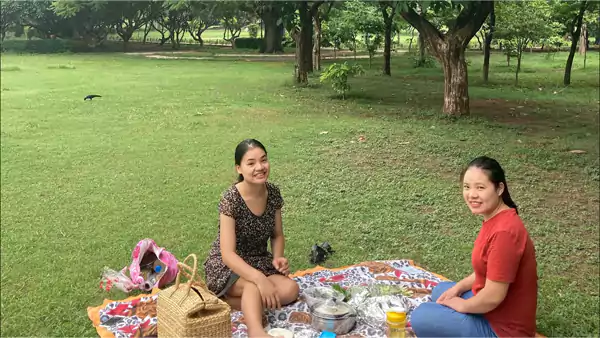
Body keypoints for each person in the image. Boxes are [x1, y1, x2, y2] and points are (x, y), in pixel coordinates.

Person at [410, 156, 538, 337]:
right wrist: (458, 289)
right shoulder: (495, 218)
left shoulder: (504, 233)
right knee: (443, 290)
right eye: (467, 187)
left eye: (480, 187)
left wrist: (462, 305)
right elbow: (486, 272)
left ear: (499, 188)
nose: (472, 194)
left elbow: (493, 296)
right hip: (493, 310)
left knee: (421, 316)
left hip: (503, 329)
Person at [204, 139, 299, 338]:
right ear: (239, 168)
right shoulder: (231, 199)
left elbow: (277, 234)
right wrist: (259, 278)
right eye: (251, 163)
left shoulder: (272, 193)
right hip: (227, 265)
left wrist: (277, 257)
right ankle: (256, 331)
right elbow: (227, 254)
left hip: (258, 260)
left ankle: (228, 301)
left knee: (291, 289)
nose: (260, 167)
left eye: (263, 160)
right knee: (253, 287)